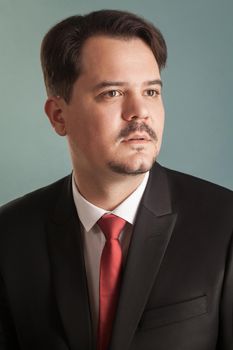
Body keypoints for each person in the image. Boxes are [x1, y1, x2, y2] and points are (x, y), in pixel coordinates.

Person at [0, 9, 233, 350]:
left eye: (151, 92)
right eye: (112, 93)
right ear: (58, 116)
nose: (140, 111)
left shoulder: (225, 223)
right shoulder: (9, 235)